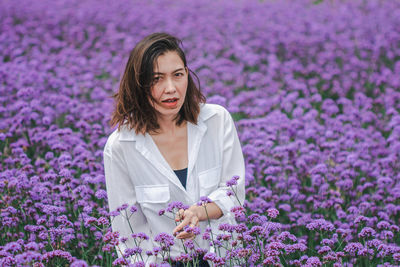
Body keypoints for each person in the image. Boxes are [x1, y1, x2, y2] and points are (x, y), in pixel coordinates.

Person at [103, 32, 245, 266]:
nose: (171, 88)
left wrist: (198, 213)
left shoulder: (217, 121)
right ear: (138, 84)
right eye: (157, 79)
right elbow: (128, 234)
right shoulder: (120, 146)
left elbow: (234, 195)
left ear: (187, 75)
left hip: (223, 257)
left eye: (177, 75)